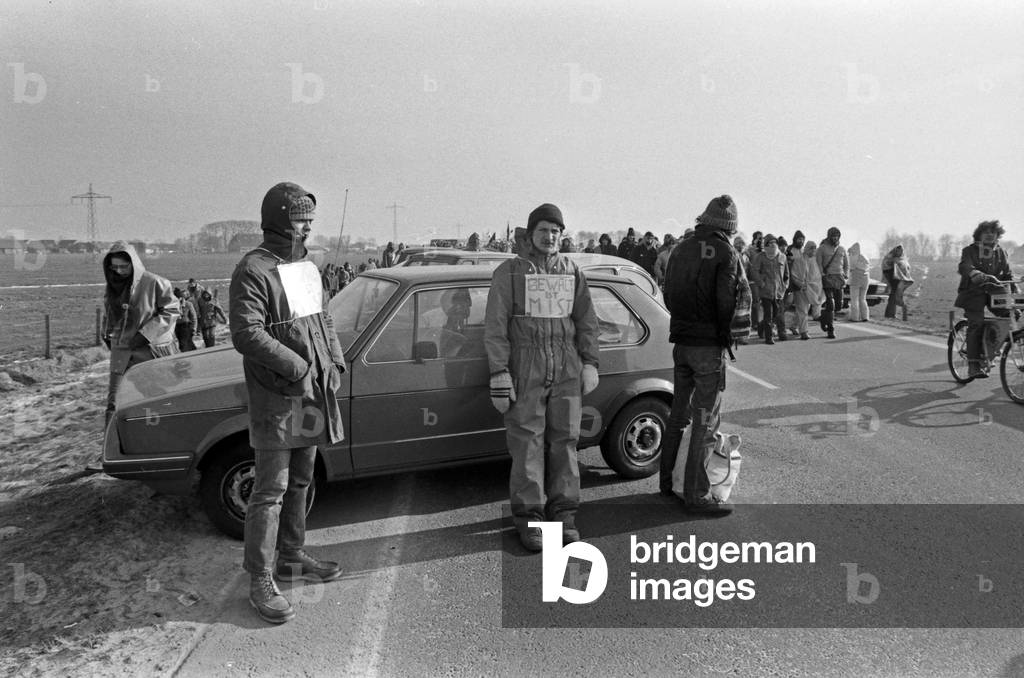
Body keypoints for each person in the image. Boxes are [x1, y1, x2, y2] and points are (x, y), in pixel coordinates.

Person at [229, 182, 347, 624]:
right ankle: (260, 575)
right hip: (277, 395)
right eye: (301, 219)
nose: (308, 226)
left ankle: (292, 555)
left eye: (310, 219)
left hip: (313, 391)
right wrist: (297, 366)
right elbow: (246, 332)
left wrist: (333, 360)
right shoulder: (253, 269)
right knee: (270, 490)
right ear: (279, 219)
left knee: (301, 480)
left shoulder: (306, 266)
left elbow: (324, 317)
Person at [484, 203, 600, 552]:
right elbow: (495, 326)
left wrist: (590, 361)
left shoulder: (571, 272)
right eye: (543, 230)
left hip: (565, 364)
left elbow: (586, 319)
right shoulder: (509, 272)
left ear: (561, 235)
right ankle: (531, 521)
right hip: (526, 366)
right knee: (527, 445)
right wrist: (499, 372)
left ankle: (564, 515)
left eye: (555, 231)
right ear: (530, 233)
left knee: (565, 441)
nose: (550, 237)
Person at [660, 195, 741, 515]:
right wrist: (724, 336)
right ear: (729, 228)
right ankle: (697, 494)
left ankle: (667, 483)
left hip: (681, 342)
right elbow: (726, 302)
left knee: (679, 417)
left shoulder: (681, 247)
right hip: (708, 346)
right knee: (706, 421)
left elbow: (667, 292)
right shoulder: (724, 251)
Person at [101, 242, 180, 427]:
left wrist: (146, 334)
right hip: (121, 352)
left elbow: (171, 310)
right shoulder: (112, 286)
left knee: (157, 397)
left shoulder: (155, 282)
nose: (119, 271)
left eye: (124, 266)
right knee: (115, 401)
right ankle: (111, 446)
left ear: (134, 263)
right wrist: (107, 334)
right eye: (115, 267)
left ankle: (164, 436)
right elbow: (110, 314)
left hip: (149, 350)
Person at [955, 220, 1016, 380]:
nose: (990, 235)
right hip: (973, 292)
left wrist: (1015, 289)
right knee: (976, 323)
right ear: (979, 235)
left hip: (995, 293)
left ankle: (990, 348)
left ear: (998, 235)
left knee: (1012, 315)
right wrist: (974, 273)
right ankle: (973, 365)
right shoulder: (970, 250)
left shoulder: (1001, 252)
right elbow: (964, 266)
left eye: (993, 232)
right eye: (986, 232)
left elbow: (1007, 274)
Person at [755, 234, 789, 344]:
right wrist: (761, 282)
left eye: (774, 243)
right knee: (768, 314)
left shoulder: (782, 256)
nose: (772, 245)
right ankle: (768, 337)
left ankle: (761, 327)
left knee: (777, 314)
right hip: (766, 291)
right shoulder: (761, 256)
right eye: (770, 243)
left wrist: (785, 285)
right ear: (766, 245)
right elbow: (754, 271)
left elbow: (786, 274)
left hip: (779, 292)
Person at [815, 227, 848, 339]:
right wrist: (822, 274)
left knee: (839, 305)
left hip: (839, 278)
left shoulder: (842, 249)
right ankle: (831, 329)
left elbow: (846, 264)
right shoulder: (822, 248)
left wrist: (846, 274)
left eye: (837, 236)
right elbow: (818, 263)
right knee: (830, 303)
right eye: (833, 236)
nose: (835, 238)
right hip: (827, 278)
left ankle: (823, 318)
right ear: (829, 236)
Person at [883, 244, 912, 319]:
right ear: (896, 251)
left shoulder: (902, 258)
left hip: (899, 280)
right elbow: (886, 267)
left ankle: (890, 314)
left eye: (901, 251)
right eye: (899, 250)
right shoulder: (891, 258)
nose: (900, 252)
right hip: (892, 279)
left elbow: (906, 268)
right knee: (893, 297)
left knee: (894, 297)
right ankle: (890, 314)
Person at [847, 242, 871, 322]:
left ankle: (855, 317)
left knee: (854, 299)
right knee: (863, 299)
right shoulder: (865, 257)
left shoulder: (853, 256)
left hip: (856, 279)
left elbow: (851, 267)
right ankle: (865, 316)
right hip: (866, 279)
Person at [746, 231, 764, 338]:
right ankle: (755, 323)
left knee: (764, 302)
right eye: (758, 238)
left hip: (763, 279)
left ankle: (763, 323)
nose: (760, 240)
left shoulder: (764, 250)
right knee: (756, 302)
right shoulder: (750, 250)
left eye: (761, 238)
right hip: (753, 280)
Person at [173, 288, 198, 352]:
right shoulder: (173, 305)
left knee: (183, 344)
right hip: (177, 327)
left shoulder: (188, 304)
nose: (177, 299)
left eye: (179, 297)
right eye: (176, 298)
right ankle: (195, 354)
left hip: (186, 326)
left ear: (181, 297)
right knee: (189, 342)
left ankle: (186, 356)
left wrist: (194, 328)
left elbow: (194, 317)